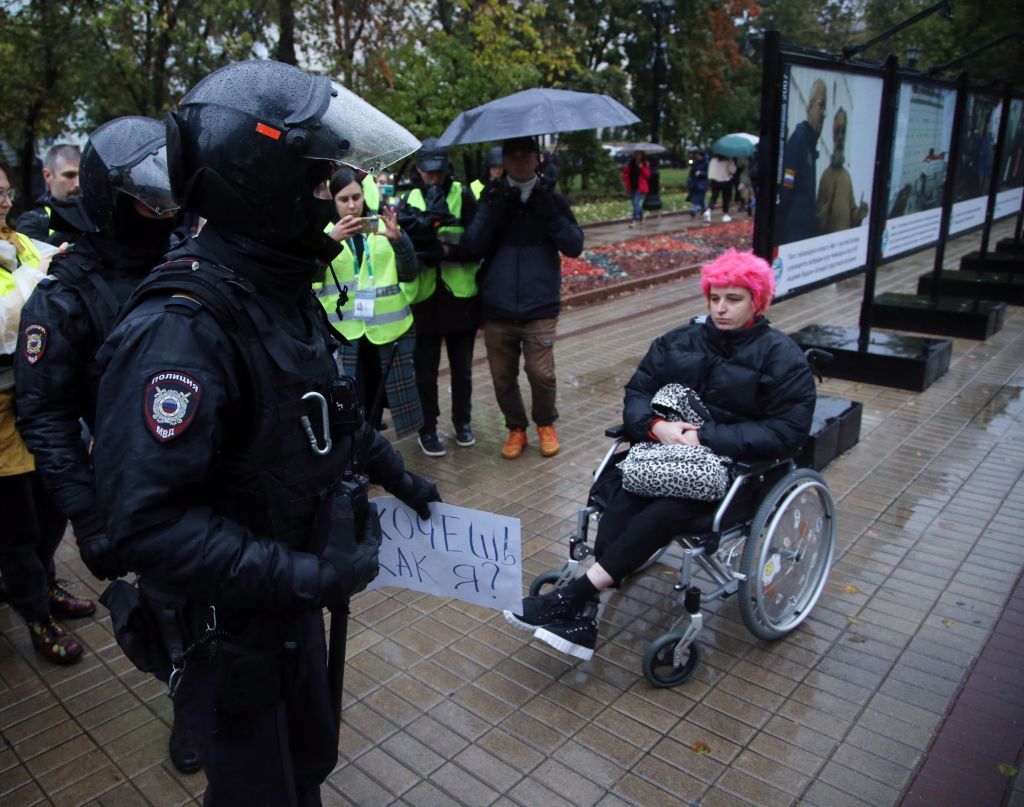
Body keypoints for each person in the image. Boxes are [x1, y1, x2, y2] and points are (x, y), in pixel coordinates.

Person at [90, 60, 438, 805]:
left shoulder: (274, 289)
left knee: (307, 770)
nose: (330, 200)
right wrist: (304, 576)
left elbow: (323, 412)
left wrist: (395, 471)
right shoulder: (181, 330)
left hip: (288, 605)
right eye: (318, 184)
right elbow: (146, 524)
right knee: (259, 792)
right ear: (259, 179)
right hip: (232, 627)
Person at [13, 117, 210, 774]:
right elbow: (43, 414)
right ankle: (188, 698)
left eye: (170, 199)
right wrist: (89, 516)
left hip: (216, 473)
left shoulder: (191, 261)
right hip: (143, 491)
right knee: (173, 609)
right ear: (109, 196)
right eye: (150, 201)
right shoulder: (65, 296)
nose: (164, 213)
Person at [504, 250, 816, 661]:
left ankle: (576, 595)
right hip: (665, 456)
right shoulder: (678, 341)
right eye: (715, 297)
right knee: (622, 496)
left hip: (738, 473)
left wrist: (707, 437)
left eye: (734, 299)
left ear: (757, 301)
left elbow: (788, 431)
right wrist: (656, 428)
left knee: (667, 509)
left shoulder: (781, 357)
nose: (720, 308)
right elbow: (638, 393)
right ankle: (584, 613)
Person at [0, 162, 95, 666]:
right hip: (2, 416)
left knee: (54, 503)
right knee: (17, 522)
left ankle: (46, 584)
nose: (1, 202)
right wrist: (39, 277)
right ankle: (36, 612)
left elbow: (55, 283)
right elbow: (7, 319)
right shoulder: (21, 252)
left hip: (42, 400)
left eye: (4, 192)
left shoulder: (20, 241)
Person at [462, 136, 584, 460]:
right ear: (503, 160)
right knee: (502, 378)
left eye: (525, 154)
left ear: (537, 158)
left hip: (539, 306)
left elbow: (574, 245)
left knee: (541, 374)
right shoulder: (491, 197)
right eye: (511, 155)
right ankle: (516, 428)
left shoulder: (552, 200)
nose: (518, 161)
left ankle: (546, 423)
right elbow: (472, 244)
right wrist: (493, 209)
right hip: (497, 306)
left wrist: (550, 214)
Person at [316, 166, 423, 438]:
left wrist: (399, 239)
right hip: (345, 335)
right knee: (352, 403)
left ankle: (373, 456)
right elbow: (309, 278)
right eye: (343, 199)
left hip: (384, 332)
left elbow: (410, 271)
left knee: (379, 400)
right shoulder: (324, 234)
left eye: (356, 197)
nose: (351, 206)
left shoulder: (381, 228)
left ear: (364, 196)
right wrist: (330, 242)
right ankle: (354, 462)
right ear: (334, 202)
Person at [398, 139, 480, 457]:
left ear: (447, 169)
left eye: (438, 172)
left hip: (460, 296)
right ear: (419, 170)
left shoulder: (464, 197)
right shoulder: (410, 201)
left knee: (462, 370)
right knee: (425, 372)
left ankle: (463, 422)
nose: (434, 178)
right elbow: (402, 250)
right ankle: (428, 428)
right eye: (427, 172)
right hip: (425, 298)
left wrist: (447, 250)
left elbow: (477, 243)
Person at [777, 78, 827, 244]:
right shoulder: (799, 140)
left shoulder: (810, 143)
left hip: (805, 229)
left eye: (825, 107)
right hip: (794, 230)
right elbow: (787, 183)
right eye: (820, 105)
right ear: (810, 106)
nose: (823, 113)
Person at [16, 144, 82, 245]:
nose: (78, 184)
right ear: (48, 176)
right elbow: (40, 257)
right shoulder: (31, 222)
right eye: (69, 175)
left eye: (82, 175)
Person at [816, 108, 869, 234]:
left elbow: (852, 216)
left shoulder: (847, 177)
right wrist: (827, 208)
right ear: (833, 135)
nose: (840, 137)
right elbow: (817, 223)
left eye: (843, 132)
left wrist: (860, 213)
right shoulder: (825, 177)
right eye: (837, 131)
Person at [621, 150, 651, 228]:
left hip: (641, 187)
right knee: (635, 204)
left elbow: (647, 175)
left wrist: (642, 168)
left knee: (636, 203)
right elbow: (625, 173)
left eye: (639, 155)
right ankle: (641, 217)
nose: (637, 156)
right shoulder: (631, 164)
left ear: (642, 156)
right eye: (636, 154)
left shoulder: (644, 164)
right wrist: (624, 179)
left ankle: (634, 221)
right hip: (632, 186)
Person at [706, 153, 736, 222]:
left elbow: (710, 171)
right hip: (726, 181)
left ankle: (708, 211)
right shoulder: (729, 160)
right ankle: (725, 214)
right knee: (726, 199)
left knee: (714, 197)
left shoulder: (713, 160)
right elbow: (732, 170)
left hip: (715, 181)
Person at [687, 150, 709, 217]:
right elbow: (690, 164)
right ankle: (705, 208)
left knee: (699, 197)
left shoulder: (706, 163)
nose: (697, 156)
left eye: (698, 155)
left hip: (702, 183)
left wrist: (701, 173)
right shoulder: (695, 161)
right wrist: (690, 159)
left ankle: (694, 210)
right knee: (700, 198)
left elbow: (707, 173)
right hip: (695, 182)